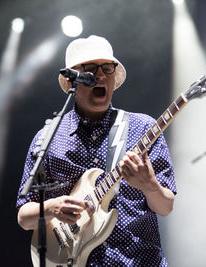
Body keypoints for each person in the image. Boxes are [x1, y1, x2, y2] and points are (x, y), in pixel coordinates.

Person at [16, 35, 177, 266]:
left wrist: (149, 185)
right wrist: (52, 208)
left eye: (107, 68)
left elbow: (166, 207)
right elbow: (24, 217)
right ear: (72, 81)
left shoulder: (142, 128)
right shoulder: (47, 138)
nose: (100, 75)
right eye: (90, 69)